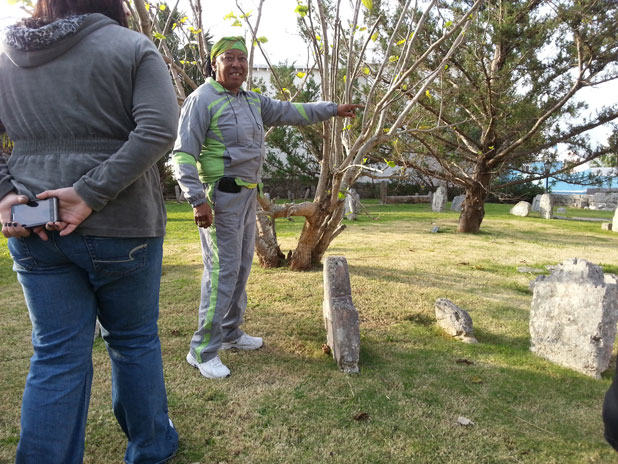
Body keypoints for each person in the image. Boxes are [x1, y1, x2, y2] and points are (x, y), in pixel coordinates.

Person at [0, 1, 179, 462]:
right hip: (123, 225)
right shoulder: (133, 48)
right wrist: (89, 192)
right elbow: (159, 129)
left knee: (56, 355)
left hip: (34, 226)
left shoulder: (7, 59)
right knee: (134, 340)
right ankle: (151, 449)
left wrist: (4, 192)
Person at [173, 36, 362, 379]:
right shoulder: (201, 99)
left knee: (242, 266)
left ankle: (230, 333)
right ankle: (201, 350)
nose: (236, 65)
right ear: (214, 64)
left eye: (242, 59)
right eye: (228, 58)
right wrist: (197, 200)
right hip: (219, 198)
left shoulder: (252, 101)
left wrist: (333, 109)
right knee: (221, 272)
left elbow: (294, 111)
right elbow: (183, 153)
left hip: (247, 197)